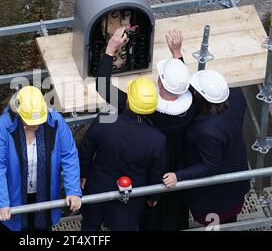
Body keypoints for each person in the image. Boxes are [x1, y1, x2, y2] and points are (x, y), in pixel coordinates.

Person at [97, 27, 195, 230]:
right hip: (178, 167)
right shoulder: (192, 105)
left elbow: (102, 86)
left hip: (145, 168)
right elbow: (184, 87)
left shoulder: (144, 107)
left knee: (143, 211)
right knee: (172, 210)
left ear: (159, 81)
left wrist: (111, 48)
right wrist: (177, 54)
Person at [162, 70, 250, 226]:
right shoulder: (235, 96)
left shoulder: (208, 131)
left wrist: (178, 176)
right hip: (234, 181)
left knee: (216, 225)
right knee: (227, 222)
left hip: (216, 198)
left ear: (201, 98)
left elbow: (209, 166)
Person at [79, 77, 167, 231]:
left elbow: (85, 149)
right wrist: (153, 196)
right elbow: (157, 171)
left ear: (127, 101)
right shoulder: (157, 139)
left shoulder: (104, 121)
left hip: (97, 185)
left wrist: (83, 174)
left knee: (90, 225)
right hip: (131, 194)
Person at [0, 85, 82, 231]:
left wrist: (73, 191)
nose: (36, 125)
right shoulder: (3, 125)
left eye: (39, 121)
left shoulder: (56, 122)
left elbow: (69, 155)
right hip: (13, 198)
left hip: (45, 195)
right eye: (30, 122)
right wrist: (3, 202)